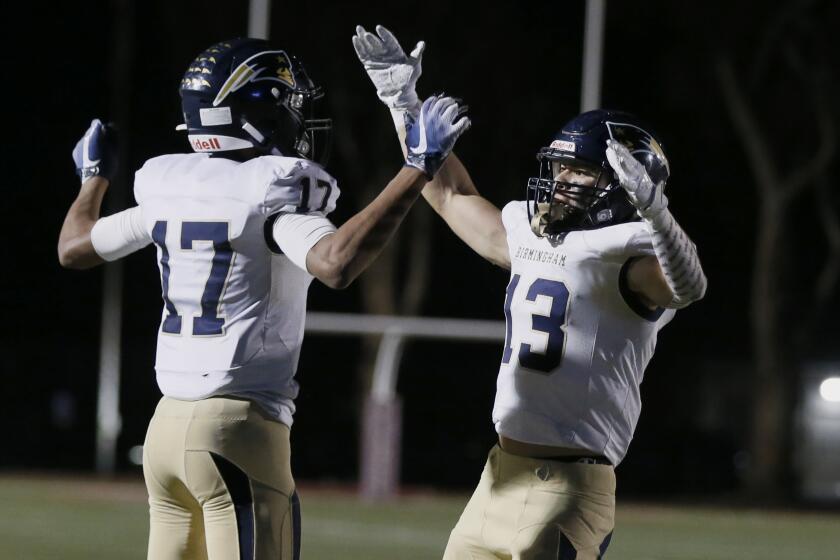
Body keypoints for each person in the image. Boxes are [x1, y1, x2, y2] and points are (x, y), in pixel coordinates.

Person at [58, 37, 469, 560]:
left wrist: (92, 179)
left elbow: (74, 248)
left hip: (164, 431)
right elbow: (336, 262)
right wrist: (416, 167)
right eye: (290, 105)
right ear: (258, 110)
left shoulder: (169, 185)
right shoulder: (268, 189)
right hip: (237, 432)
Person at [353, 25, 707, 559]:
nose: (561, 180)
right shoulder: (531, 231)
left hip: (570, 487)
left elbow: (689, 288)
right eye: (559, 166)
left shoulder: (633, 251)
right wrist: (402, 99)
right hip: (498, 475)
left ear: (628, 182)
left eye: (580, 171)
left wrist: (658, 214)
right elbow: (449, 194)